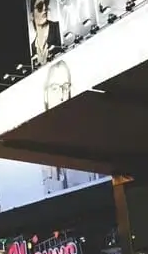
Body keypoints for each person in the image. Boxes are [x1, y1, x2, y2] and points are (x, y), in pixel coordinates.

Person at [40, 61, 102, 194]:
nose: (62, 96)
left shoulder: (86, 136)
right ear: (46, 94)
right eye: (55, 88)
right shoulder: (37, 140)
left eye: (66, 87)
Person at [28, 0, 62, 67]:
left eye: (46, 4)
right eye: (39, 6)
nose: (44, 9)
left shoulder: (57, 28)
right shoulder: (33, 46)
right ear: (31, 15)